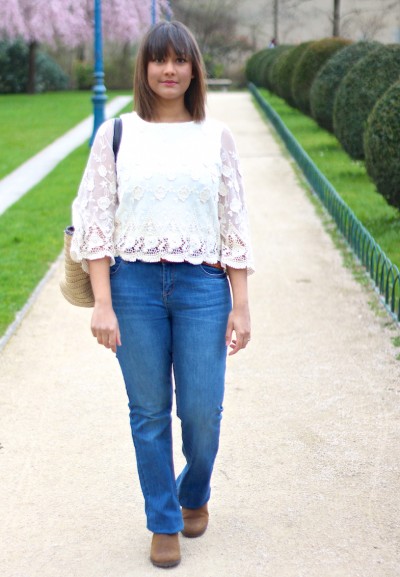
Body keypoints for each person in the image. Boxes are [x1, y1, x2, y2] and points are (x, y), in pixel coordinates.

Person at [71, 20, 254, 569]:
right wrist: (103, 303)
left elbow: (234, 222)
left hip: (203, 287)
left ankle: (194, 490)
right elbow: (94, 222)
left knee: (202, 413)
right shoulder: (116, 134)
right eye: (159, 60)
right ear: (144, 69)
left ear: (194, 69)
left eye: (179, 60)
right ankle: (163, 520)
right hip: (133, 287)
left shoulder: (216, 137)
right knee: (149, 412)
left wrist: (241, 305)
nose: (169, 70)